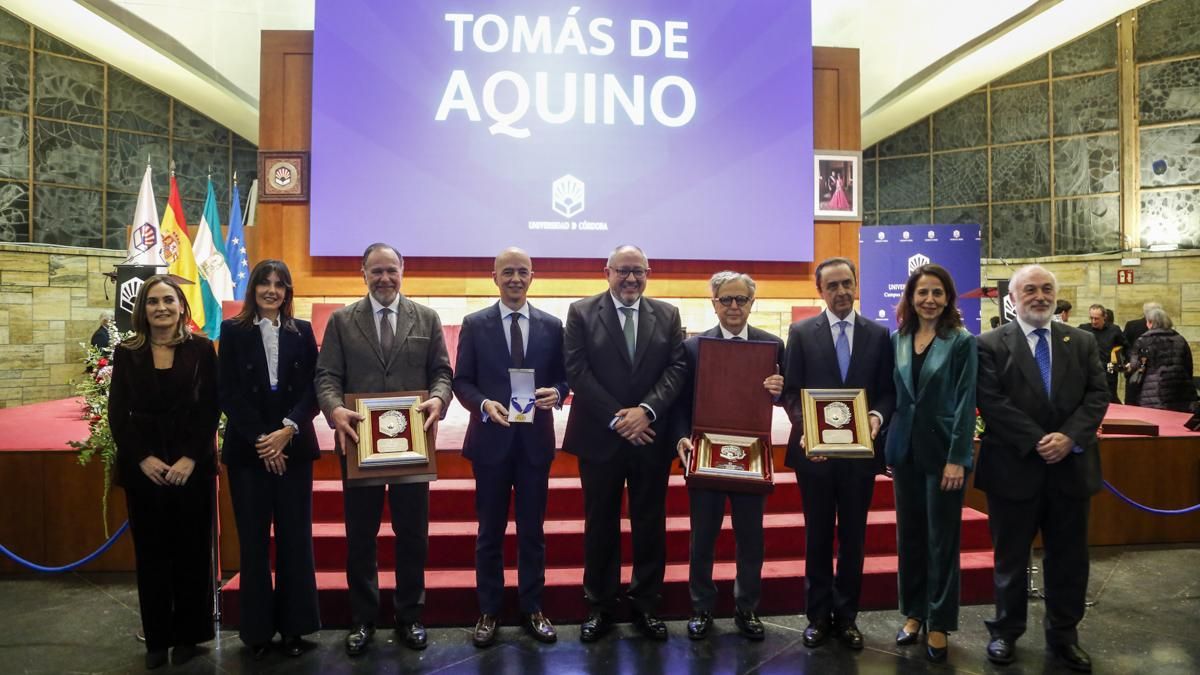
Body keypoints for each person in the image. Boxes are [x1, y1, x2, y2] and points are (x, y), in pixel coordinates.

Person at [314, 243, 453, 656]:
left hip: (413, 447)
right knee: (361, 536)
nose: (384, 278)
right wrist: (335, 410)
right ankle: (362, 619)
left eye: (391, 270)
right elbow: (326, 376)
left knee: (413, 535)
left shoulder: (426, 317)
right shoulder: (341, 321)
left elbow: (442, 372)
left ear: (403, 270)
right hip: (359, 446)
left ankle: (410, 615)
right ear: (363, 273)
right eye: (376, 271)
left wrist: (439, 400)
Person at [975, 265, 1109, 672]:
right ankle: (1005, 633)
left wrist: (1069, 437)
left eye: (1046, 289)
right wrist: (1038, 439)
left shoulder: (1082, 341)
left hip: (1070, 468)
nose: (1039, 296)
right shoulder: (989, 344)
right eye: (1029, 290)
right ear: (1012, 299)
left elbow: (1098, 394)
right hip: (1014, 468)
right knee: (1010, 559)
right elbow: (991, 400)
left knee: (1069, 560)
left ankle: (1065, 637)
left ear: (1056, 295)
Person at [562, 244, 688, 642]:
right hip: (600, 437)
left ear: (648, 273)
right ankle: (600, 605)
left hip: (651, 436)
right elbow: (577, 371)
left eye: (639, 271)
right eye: (623, 271)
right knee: (600, 524)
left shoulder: (667, 315)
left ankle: (646, 604)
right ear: (607, 272)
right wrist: (620, 417)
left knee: (650, 523)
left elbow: (677, 368)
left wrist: (646, 411)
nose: (631, 278)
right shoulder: (581, 313)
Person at [452, 248, 568, 647]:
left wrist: (559, 392)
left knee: (533, 531)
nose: (515, 279)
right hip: (491, 443)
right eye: (508, 272)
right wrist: (484, 404)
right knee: (490, 532)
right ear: (494, 277)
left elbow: (565, 378)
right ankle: (489, 610)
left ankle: (533, 607)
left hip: (535, 444)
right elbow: (461, 381)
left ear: (532, 277)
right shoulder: (475, 324)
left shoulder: (553, 326)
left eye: (522, 272)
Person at [781, 257, 896, 650]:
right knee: (816, 536)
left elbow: (887, 391)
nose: (841, 291)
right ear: (821, 291)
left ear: (856, 284)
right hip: (814, 456)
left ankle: (846, 618)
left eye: (847, 283)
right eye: (832, 286)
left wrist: (878, 417)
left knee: (853, 538)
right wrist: (807, 430)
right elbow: (791, 391)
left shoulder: (879, 335)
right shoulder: (800, 333)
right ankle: (817, 617)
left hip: (861, 454)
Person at [107, 275, 219, 670]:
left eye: (168, 300)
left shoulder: (203, 350)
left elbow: (209, 409)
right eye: (153, 301)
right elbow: (117, 414)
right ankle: (157, 638)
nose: (161, 308)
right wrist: (142, 458)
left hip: (192, 467)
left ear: (181, 306)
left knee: (192, 553)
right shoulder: (127, 352)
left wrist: (191, 457)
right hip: (146, 469)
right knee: (152, 556)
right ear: (143, 309)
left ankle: (189, 635)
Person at [671, 271, 784, 641]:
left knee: (751, 536)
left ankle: (747, 607)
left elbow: (789, 397)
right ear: (714, 303)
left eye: (741, 299)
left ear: (753, 303)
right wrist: (681, 439)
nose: (734, 306)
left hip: (752, 457)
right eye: (726, 300)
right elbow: (680, 404)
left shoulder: (773, 346)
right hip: (704, 455)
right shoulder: (693, 347)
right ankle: (702, 607)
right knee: (703, 535)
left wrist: (780, 390)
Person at [218, 259, 321, 659]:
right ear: (254, 289)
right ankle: (257, 631)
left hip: (294, 448)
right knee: (255, 543)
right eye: (265, 283)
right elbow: (227, 391)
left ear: (288, 291)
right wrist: (263, 441)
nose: (272, 291)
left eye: (280, 284)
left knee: (296, 540)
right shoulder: (232, 330)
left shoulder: (304, 331)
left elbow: (314, 389)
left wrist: (287, 431)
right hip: (249, 452)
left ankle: (297, 628)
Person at [885, 264, 978, 663]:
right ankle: (913, 613)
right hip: (903, 451)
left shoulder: (960, 341)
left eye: (937, 293)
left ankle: (939, 622)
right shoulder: (897, 338)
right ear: (911, 296)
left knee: (942, 541)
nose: (929, 300)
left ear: (948, 298)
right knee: (909, 537)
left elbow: (965, 402)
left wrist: (959, 458)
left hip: (943, 456)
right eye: (922, 293)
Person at [1128, 308, 1197, 412]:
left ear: (1151, 323)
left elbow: (1134, 365)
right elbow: (1188, 365)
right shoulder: (1179, 339)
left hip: (1152, 391)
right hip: (1179, 390)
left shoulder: (1144, 340)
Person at [1077, 303, 1128, 403]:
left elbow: (1125, 346)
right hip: (1089, 372)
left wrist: (1126, 362)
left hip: (1108, 372)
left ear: (1104, 317)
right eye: (1091, 318)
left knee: (1110, 399)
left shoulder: (1114, 330)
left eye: (1096, 318)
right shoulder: (1083, 329)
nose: (1093, 321)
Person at [1123, 302, 1161, 405]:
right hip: (1156, 373)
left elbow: (1125, 346)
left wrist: (1131, 361)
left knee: (1132, 404)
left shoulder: (1132, 325)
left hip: (1134, 371)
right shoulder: (1165, 329)